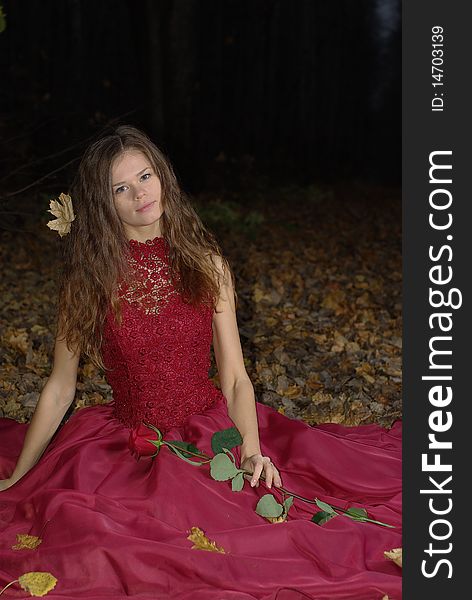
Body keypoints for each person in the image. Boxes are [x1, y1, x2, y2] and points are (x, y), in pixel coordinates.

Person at [0, 125, 401, 599]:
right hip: (121, 441)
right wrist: (20, 477)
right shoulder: (90, 278)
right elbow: (60, 386)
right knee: (100, 542)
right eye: (120, 188)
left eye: (145, 176)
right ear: (104, 203)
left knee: (249, 536)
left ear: (163, 176)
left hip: (207, 435)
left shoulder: (205, 263)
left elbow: (234, 379)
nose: (139, 195)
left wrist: (251, 451)